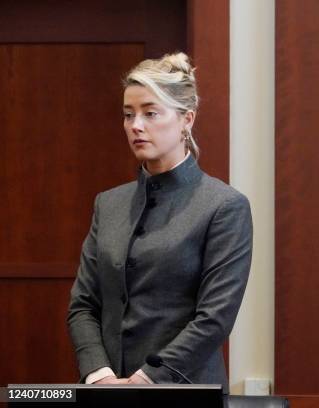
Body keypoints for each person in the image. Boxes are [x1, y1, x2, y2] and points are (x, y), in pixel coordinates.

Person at [67, 52, 252, 389]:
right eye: (128, 115)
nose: (136, 125)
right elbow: (83, 305)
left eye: (151, 113)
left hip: (184, 390)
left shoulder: (224, 206)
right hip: (107, 393)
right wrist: (99, 375)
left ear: (187, 120)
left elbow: (214, 318)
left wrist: (148, 379)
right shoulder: (108, 204)